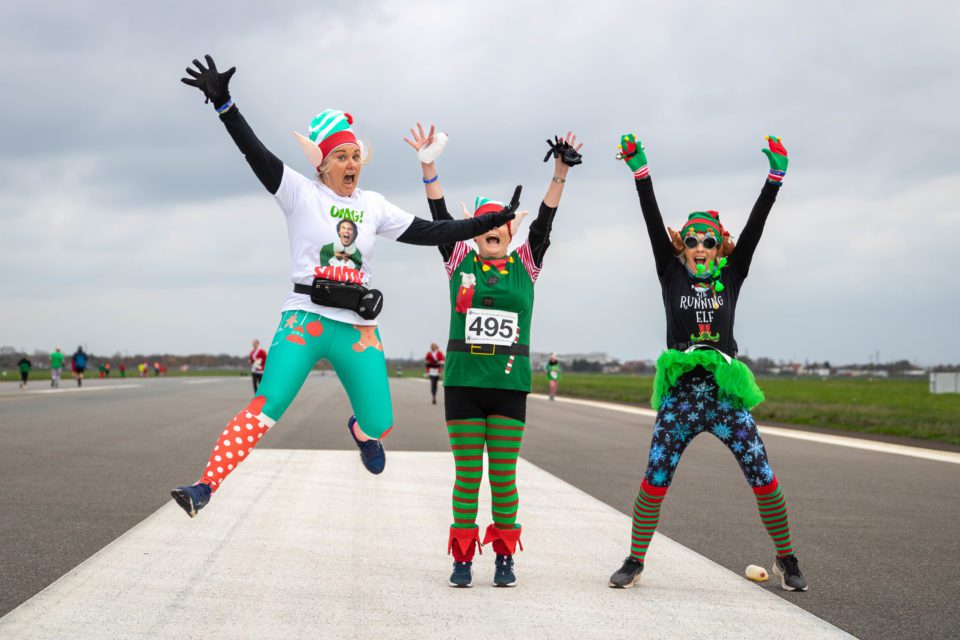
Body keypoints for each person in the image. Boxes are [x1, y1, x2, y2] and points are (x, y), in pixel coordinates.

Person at [170, 55, 517, 519]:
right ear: (323, 164)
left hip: (358, 329)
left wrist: (488, 220)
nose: (352, 163)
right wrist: (225, 105)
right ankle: (204, 486)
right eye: (342, 156)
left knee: (381, 423)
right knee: (266, 407)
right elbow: (255, 152)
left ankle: (360, 430)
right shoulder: (299, 193)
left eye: (356, 155)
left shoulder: (374, 206)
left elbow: (430, 233)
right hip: (305, 320)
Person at [607, 134, 807, 592]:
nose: (699, 247)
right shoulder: (671, 270)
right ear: (684, 247)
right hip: (680, 397)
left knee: (763, 476)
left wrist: (774, 179)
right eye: (692, 240)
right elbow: (650, 217)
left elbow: (756, 228)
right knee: (655, 479)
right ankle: (635, 561)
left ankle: (787, 558)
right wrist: (641, 170)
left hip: (724, 395)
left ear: (720, 248)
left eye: (709, 242)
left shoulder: (732, 276)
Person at [406, 123, 582, 587]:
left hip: (508, 389)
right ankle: (462, 558)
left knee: (503, 479)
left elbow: (544, 221)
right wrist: (428, 165)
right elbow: (439, 213)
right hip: (464, 385)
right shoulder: (457, 259)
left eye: (500, 221)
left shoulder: (526, 264)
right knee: (468, 477)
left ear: (510, 229)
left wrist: (561, 170)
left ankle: (504, 556)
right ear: (475, 230)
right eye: (482, 221)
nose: (492, 228)